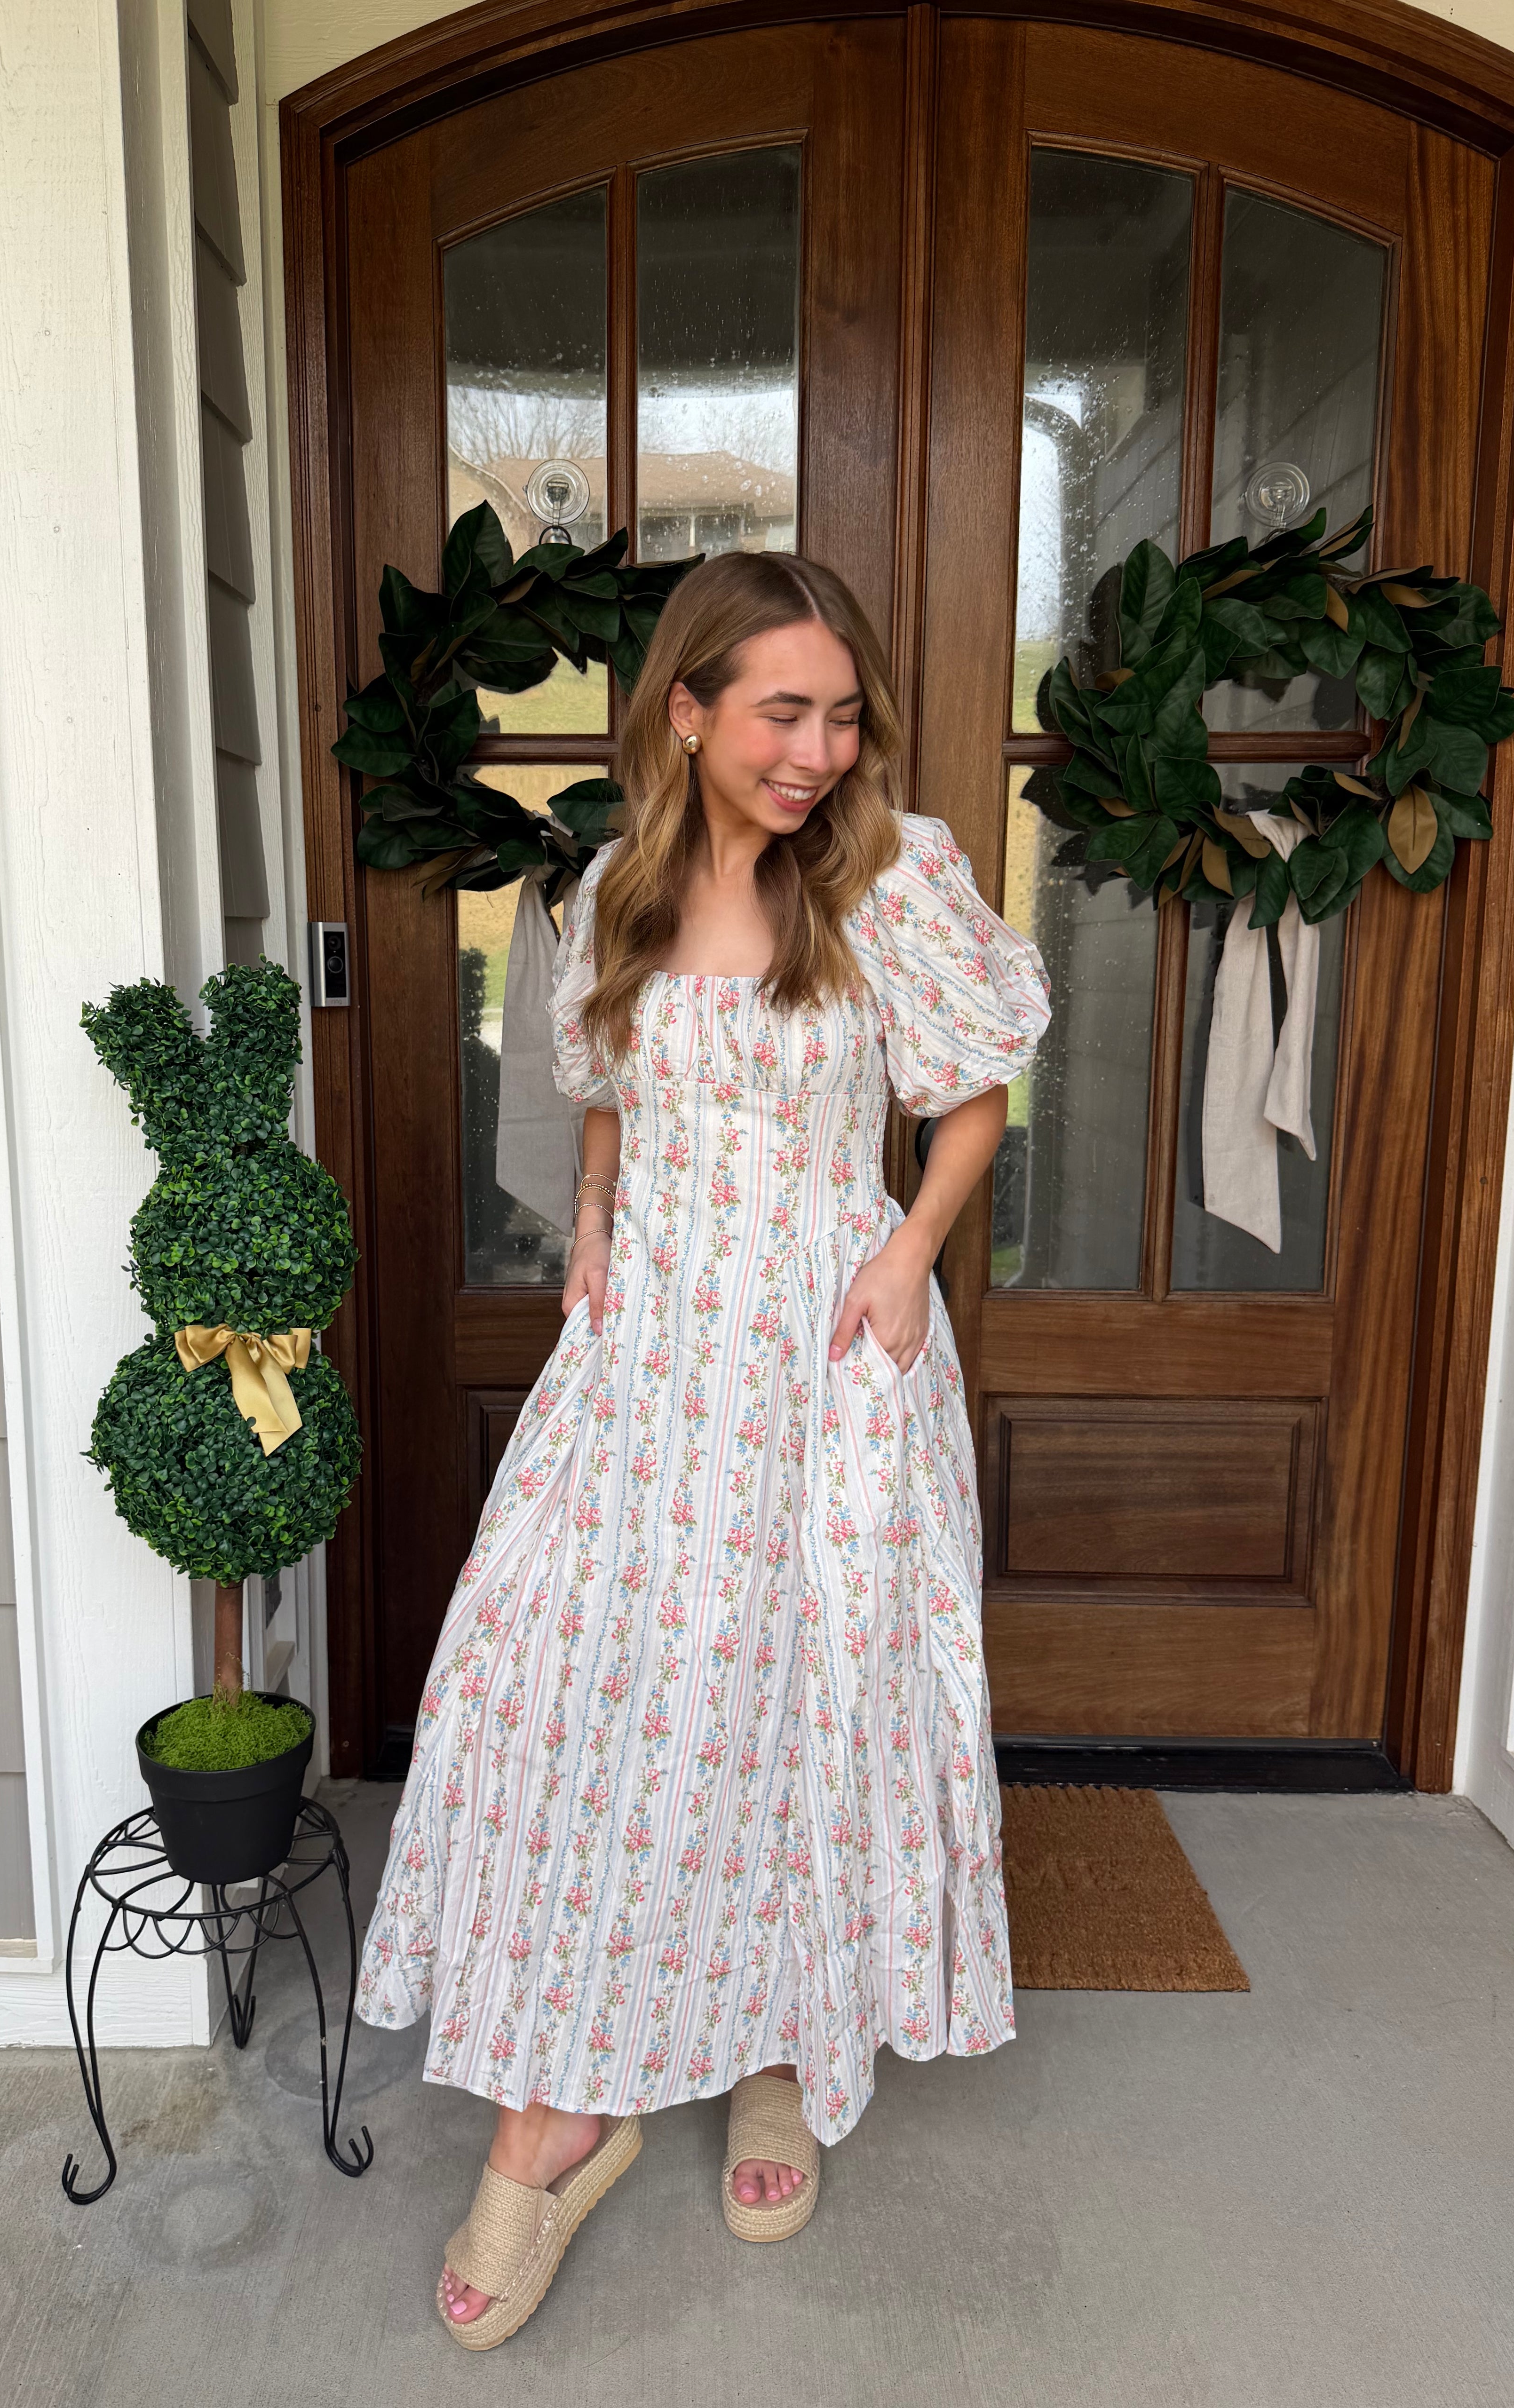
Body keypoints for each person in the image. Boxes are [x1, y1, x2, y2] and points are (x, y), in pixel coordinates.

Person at [355, 549, 1052, 2349]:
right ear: (688, 710)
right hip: (649, 1358)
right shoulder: (612, 889)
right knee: (570, 1689)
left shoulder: (893, 881)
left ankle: (773, 2051)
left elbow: (970, 1101)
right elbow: (604, 1092)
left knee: (794, 1699)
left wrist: (908, 1253)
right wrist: (589, 1222)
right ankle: (556, 2118)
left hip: (826, 1352)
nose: (817, 750)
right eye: (780, 713)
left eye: (840, 714)